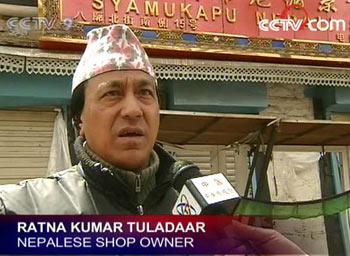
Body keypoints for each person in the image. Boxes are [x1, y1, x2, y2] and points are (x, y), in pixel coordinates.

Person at [0, 24, 306, 254]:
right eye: (112, 93)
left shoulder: (202, 213)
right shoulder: (23, 210)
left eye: (145, 93)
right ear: (79, 119)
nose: (133, 109)